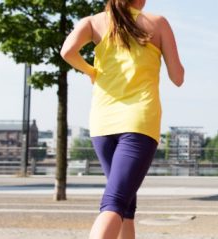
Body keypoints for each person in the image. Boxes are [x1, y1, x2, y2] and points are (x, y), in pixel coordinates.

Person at [61, 0, 184, 238]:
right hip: (139, 122)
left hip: (102, 123)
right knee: (115, 202)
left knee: (126, 205)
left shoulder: (92, 22)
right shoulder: (157, 23)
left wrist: (91, 71)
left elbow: (67, 52)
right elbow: (177, 77)